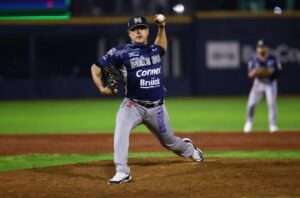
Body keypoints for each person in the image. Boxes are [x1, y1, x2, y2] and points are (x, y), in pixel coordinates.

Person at [90, 15, 204, 184]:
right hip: (132, 105)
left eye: (142, 28)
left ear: (147, 31)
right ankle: (122, 171)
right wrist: (101, 87)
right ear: (129, 33)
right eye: (134, 29)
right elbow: (96, 67)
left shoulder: (154, 50)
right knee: (120, 131)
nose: (138, 32)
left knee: (170, 142)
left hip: (157, 108)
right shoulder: (120, 52)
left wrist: (162, 27)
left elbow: (162, 46)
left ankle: (189, 149)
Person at [243, 40, 282, 133]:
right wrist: (256, 72)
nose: (261, 49)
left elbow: (277, 72)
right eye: (259, 47)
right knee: (251, 104)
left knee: (271, 104)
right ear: (257, 49)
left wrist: (265, 71)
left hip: (270, 83)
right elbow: (250, 74)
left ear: (267, 48)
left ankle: (273, 125)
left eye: (263, 47)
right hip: (258, 83)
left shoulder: (273, 58)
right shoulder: (253, 59)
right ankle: (249, 123)